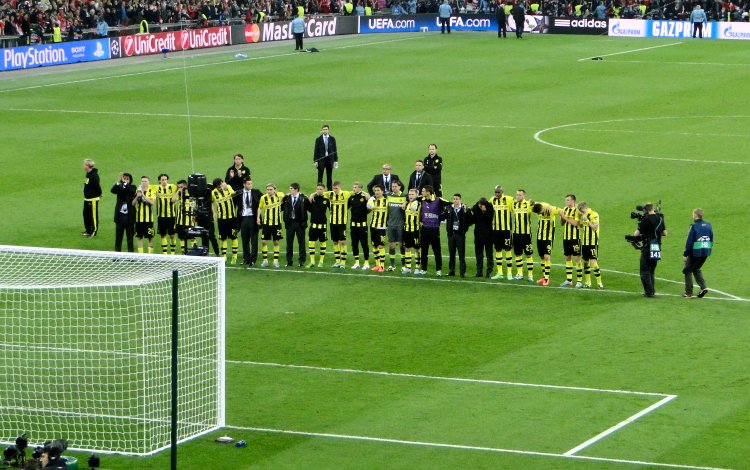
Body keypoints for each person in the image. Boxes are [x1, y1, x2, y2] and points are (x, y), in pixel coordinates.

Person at [633, 202, 667, 298]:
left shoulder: (646, 220)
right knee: (651, 270)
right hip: (657, 246)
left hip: (648, 247)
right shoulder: (660, 218)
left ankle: (649, 292)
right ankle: (652, 290)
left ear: (646, 210)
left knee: (644, 270)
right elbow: (664, 233)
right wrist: (654, 233)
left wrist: (646, 233)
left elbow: (635, 234)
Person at [417, 185, 450, 276]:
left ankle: (438, 270)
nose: (422, 193)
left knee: (436, 251)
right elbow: (411, 198)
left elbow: (450, 204)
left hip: (434, 229)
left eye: (423, 191)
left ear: (428, 192)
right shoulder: (421, 199)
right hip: (425, 229)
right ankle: (424, 269)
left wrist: (443, 215)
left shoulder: (438, 200)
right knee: (424, 250)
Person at [322, 181, 353, 268]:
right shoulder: (330, 194)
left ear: (340, 187)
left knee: (342, 241)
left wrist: (366, 194)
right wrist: (313, 195)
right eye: (333, 188)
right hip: (333, 222)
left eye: (336, 188)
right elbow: (319, 192)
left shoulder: (346, 194)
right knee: (335, 241)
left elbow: (356, 192)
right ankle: (337, 261)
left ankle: (343, 262)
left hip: (342, 222)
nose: (335, 190)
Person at [682, 208, 713, 298]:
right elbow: (711, 238)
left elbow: (689, 241)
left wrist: (685, 254)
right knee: (696, 268)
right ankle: (703, 287)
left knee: (687, 270)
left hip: (695, 252)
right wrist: (708, 249)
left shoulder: (694, 226)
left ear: (695, 215)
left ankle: (688, 293)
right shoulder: (708, 225)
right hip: (706, 251)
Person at [443, 193, 472, 277]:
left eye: (457, 199)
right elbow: (442, 217)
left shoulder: (465, 209)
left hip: (460, 235)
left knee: (461, 254)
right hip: (451, 234)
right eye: (454, 199)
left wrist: (464, 230)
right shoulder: (449, 208)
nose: (455, 200)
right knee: (451, 253)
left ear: (460, 200)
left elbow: (469, 219)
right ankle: (451, 271)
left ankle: (462, 272)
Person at [490, 186, 515, 280]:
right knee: (498, 250)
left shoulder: (509, 199)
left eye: (498, 192)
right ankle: (499, 272)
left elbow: (517, 203)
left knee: (508, 250)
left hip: (506, 230)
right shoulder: (492, 200)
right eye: (495, 192)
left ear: (502, 192)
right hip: (496, 230)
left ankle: (509, 273)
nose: (496, 194)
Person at [558, 194, 583, 287]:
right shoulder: (565, 209)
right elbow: (562, 223)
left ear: (573, 201)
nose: (566, 202)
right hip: (566, 238)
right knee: (567, 258)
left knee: (577, 258)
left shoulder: (577, 210)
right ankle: (569, 280)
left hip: (575, 238)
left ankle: (579, 281)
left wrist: (564, 216)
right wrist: (562, 216)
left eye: (568, 200)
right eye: (566, 200)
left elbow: (576, 223)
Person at [258, 183, 285, 268]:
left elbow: (287, 198)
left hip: (277, 223)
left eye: (271, 189)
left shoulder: (280, 195)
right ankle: (265, 261)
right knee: (263, 242)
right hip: (266, 223)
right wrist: (258, 218)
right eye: (268, 189)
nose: (269, 191)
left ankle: (275, 261)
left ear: (274, 190)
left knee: (276, 242)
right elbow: (259, 207)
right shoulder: (263, 198)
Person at [211, 178, 238, 263]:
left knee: (234, 237)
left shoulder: (228, 187)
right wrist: (214, 212)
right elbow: (211, 202)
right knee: (223, 238)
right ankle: (224, 256)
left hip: (232, 217)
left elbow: (233, 194)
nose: (220, 188)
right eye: (218, 187)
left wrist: (226, 188)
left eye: (220, 186)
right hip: (221, 219)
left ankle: (234, 256)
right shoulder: (213, 192)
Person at [577, 201, 604, 288]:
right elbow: (581, 226)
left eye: (581, 210)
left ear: (584, 208)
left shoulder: (594, 214)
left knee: (593, 263)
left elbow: (595, 227)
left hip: (592, 242)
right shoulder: (582, 215)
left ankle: (600, 283)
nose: (581, 212)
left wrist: (587, 220)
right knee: (585, 262)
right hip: (584, 242)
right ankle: (588, 282)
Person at [532, 202, 558, 286]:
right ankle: (544, 277)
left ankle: (546, 279)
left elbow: (561, 211)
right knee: (542, 257)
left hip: (548, 238)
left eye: (539, 212)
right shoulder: (538, 205)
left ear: (542, 209)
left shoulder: (551, 209)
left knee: (547, 257)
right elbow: (533, 203)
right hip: (539, 237)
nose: (539, 214)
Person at [282, 182, 308, 267]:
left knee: (301, 243)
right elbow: (282, 207)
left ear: (296, 189)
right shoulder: (286, 198)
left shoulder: (303, 198)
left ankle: (302, 261)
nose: (290, 190)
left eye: (291, 189)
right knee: (289, 243)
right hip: (290, 223)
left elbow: (309, 208)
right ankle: (289, 261)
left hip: (300, 223)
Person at [511, 189, 534, 282]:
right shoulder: (514, 204)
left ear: (524, 196)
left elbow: (536, 207)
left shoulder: (528, 204)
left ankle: (530, 275)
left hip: (526, 234)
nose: (518, 196)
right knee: (517, 254)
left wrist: (533, 203)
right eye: (517, 195)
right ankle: (519, 274)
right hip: (516, 234)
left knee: (528, 254)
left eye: (520, 195)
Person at [305, 183, 331, 268]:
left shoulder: (327, 199)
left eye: (320, 189)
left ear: (324, 190)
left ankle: (321, 261)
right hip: (313, 225)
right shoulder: (313, 198)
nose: (319, 190)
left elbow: (332, 209)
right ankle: (312, 261)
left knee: (322, 242)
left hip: (322, 225)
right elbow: (308, 207)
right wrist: (312, 195)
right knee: (311, 242)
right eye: (317, 189)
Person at [239, 177, 262, 266]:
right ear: (244, 184)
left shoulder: (256, 192)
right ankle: (246, 259)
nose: (250, 185)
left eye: (251, 184)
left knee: (254, 240)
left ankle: (253, 260)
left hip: (253, 218)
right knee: (245, 240)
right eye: (248, 184)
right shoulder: (239, 193)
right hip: (243, 218)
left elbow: (265, 198)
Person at [111, 173, 136, 252]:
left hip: (129, 217)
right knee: (118, 237)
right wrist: (118, 183)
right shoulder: (119, 187)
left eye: (127, 179)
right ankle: (117, 255)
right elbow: (113, 190)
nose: (125, 180)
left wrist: (125, 184)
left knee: (130, 238)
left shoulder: (132, 187)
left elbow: (132, 191)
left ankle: (131, 255)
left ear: (130, 180)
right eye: (124, 178)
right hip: (120, 216)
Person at [348, 182, 371, 270]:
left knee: (364, 244)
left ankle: (366, 262)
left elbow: (370, 208)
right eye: (353, 187)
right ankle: (356, 262)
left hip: (362, 225)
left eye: (355, 187)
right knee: (354, 243)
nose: (354, 189)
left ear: (360, 188)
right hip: (353, 225)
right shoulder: (352, 197)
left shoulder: (365, 197)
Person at [385, 180, 406, 271]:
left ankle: (404, 265)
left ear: (399, 187)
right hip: (390, 225)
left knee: (402, 245)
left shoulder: (404, 196)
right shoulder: (388, 196)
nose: (394, 188)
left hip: (400, 225)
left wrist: (406, 202)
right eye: (393, 186)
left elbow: (415, 198)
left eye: (395, 186)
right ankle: (393, 265)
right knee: (391, 245)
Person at [367, 185, 389, 272]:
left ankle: (382, 266)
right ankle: (377, 265)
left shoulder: (387, 200)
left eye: (378, 190)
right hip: (373, 226)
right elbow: (369, 207)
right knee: (374, 246)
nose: (376, 192)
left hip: (382, 227)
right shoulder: (373, 200)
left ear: (382, 191)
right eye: (375, 190)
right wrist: (370, 199)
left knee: (381, 246)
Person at [155, 173, 178, 255]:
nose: (164, 181)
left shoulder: (173, 187)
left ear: (167, 180)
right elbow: (144, 187)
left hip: (171, 216)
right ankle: (164, 253)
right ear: (159, 181)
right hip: (161, 216)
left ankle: (172, 252)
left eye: (165, 179)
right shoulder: (156, 188)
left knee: (172, 235)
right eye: (162, 180)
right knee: (163, 235)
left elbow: (182, 186)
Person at [133, 176, 157, 254]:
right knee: (139, 237)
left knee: (150, 237)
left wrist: (143, 195)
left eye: (145, 181)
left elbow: (152, 202)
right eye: (142, 181)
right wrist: (137, 197)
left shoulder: (152, 191)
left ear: (148, 182)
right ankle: (141, 256)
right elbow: (133, 204)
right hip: (139, 219)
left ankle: (150, 256)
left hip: (149, 220)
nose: (144, 182)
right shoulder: (137, 191)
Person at [472, 197, 494, 278]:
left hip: (488, 236)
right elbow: (473, 219)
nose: (480, 207)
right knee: (479, 255)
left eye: (481, 206)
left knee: (489, 255)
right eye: (479, 205)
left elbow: (490, 219)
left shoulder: (490, 207)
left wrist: (484, 211)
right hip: (478, 235)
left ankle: (489, 272)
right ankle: (479, 272)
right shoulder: (475, 207)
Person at [402, 188, 421, 274]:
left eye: (413, 194)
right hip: (406, 230)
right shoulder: (406, 204)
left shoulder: (420, 204)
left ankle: (417, 267)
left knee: (417, 249)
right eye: (409, 194)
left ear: (416, 195)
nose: (410, 196)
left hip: (415, 230)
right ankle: (408, 268)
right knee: (407, 248)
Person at [313, 124, 338, 191]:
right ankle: (319, 189)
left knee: (329, 176)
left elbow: (335, 150)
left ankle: (329, 190)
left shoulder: (332, 139)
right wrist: (315, 160)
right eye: (323, 129)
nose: (325, 131)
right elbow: (316, 150)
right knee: (320, 175)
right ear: (322, 130)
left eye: (326, 129)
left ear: (328, 130)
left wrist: (335, 160)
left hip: (329, 160)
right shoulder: (318, 139)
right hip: (321, 160)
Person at [82, 158, 102, 237]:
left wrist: (99, 195)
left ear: (88, 166)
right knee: (86, 215)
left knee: (93, 216)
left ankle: (93, 232)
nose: (83, 166)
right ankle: (88, 230)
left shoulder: (94, 176)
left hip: (92, 199)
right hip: (86, 199)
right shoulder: (88, 174)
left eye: (84, 164)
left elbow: (98, 187)